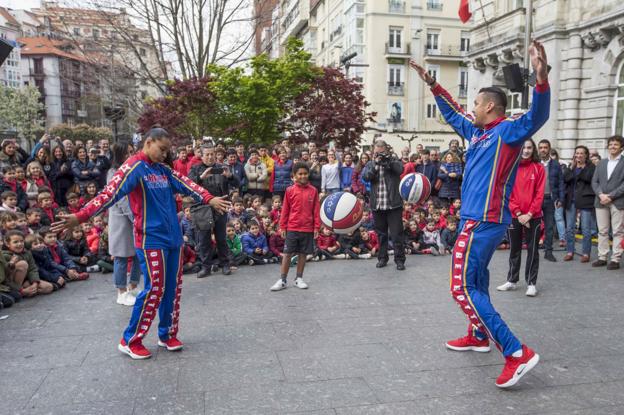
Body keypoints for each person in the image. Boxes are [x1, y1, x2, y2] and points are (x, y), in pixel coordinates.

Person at [409, 39, 549, 388]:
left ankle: (516, 352)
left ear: (489, 105)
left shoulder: (507, 131)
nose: (472, 107)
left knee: (462, 287)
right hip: (479, 219)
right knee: (478, 280)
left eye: (476, 102)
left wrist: (542, 79)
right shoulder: (478, 132)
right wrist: (432, 85)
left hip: (484, 220)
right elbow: (453, 112)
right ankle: (478, 335)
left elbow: (538, 115)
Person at [51, 128, 230, 360]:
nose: (165, 155)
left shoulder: (163, 169)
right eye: (161, 149)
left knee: (173, 289)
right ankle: (130, 340)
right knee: (154, 288)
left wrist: (209, 198)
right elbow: (109, 193)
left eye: (167, 151)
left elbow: (187, 184)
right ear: (148, 142)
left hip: (173, 238)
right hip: (149, 239)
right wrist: (81, 216)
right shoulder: (133, 166)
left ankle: (166, 334)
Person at [497, 139, 545, 296]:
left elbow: (539, 194)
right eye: (523, 147)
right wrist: (518, 213)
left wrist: (530, 214)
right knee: (514, 249)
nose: (526, 150)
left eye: (529, 147)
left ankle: (531, 283)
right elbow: (507, 192)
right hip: (514, 216)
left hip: (534, 216)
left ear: (533, 150)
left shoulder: (539, 168)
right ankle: (512, 280)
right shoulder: (511, 168)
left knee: (533, 250)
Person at [189, 146, 238, 277]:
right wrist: (201, 177)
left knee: (221, 237)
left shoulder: (222, 167)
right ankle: (206, 267)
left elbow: (237, 183)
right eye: (207, 154)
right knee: (204, 239)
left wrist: (230, 176)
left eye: (212, 154)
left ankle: (225, 264)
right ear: (202, 156)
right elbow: (189, 186)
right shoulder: (195, 168)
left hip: (220, 207)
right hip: (202, 208)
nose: (210, 157)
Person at [270, 161, 320, 291]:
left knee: (303, 254)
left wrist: (316, 227)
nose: (303, 176)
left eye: (305, 173)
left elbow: (316, 210)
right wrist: (282, 227)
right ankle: (282, 280)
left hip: (307, 228)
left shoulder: (314, 191)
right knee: (287, 253)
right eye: (300, 174)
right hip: (292, 227)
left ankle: (299, 278)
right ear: (294, 175)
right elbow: (285, 210)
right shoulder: (289, 190)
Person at [362, 140, 406, 270]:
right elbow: (366, 177)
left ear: (386, 150)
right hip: (378, 205)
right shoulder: (371, 163)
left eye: (382, 151)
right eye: (377, 151)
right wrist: (376, 164)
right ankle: (382, 258)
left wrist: (388, 161)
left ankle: (399, 260)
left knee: (397, 233)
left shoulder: (393, 159)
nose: (380, 154)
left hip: (393, 204)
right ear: (374, 151)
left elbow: (400, 170)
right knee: (381, 234)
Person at [107, 143, 142, 306]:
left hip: (135, 216)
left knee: (137, 254)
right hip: (122, 219)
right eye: (127, 153)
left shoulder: (133, 170)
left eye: (132, 152)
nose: (130, 156)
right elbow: (120, 199)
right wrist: (135, 217)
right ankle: (121, 292)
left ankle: (133, 286)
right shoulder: (113, 173)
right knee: (121, 256)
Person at [591, 135, 624, 270]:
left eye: (616, 144)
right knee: (602, 231)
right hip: (600, 201)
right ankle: (602, 257)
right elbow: (595, 181)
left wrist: (610, 195)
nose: (612, 147)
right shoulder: (602, 163)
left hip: (618, 201)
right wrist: (600, 194)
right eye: (610, 144)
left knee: (618, 231)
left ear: (621, 147)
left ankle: (615, 259)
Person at [563, 145, 596, 262]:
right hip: (571, 199)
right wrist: (572, 166)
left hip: (585, 200)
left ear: (586, 155)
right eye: (577, 153)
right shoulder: (572, 167)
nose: (579, 155)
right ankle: (570, 251)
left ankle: (586, 253)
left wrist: (581, 167)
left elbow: (588, 178)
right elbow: (565, 178)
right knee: (570, 228)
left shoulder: (591, 167)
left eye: (582, 153)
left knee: (586, 229)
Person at [537, 139, 564, 262]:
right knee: (534, 226)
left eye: (545, 147)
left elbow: (560, 183)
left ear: (549, 149)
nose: (543, 149)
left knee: (549, 226)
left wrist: (560, 198)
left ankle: (548, 251)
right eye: (541, 147)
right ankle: (533, 249)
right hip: (535, 200)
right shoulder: (535, 163)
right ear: (538, 149)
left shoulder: (556, 164)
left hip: (550, 199)